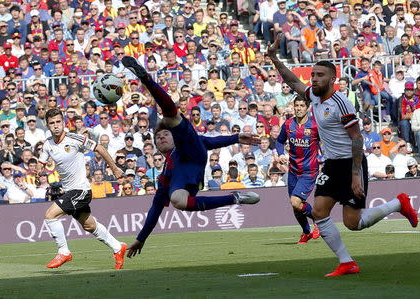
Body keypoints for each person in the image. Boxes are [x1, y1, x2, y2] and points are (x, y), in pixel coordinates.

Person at [267, 35, 418, 277]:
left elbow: (357, 138)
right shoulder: (314, 97)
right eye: (313, 75)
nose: (314, 79)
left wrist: (356, 175)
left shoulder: (341, 103)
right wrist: (274, 57)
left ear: (332, 79)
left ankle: (398, 203)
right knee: (319, 212)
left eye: (320, 75)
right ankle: (346, 262)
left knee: (353, 223)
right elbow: (293, 80)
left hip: (350, 164)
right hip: (331, 165)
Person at [121, 56, 261, 260]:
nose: (161, 137)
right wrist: (141, 238)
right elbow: (155, 208)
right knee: (177, 200)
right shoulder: (165, 176)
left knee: (170, 116)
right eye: (157, 138)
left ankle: (145, 77)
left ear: (171, 136)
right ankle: (236, 198)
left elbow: (211, 142)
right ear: (156, 146)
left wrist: (237, 137)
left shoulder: (181, 140)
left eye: (164, 134)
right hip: (188, 174)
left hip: (191, 148)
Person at [38, 108, 127, 270]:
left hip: (81, 190)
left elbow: (99, 148)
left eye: (58, 122)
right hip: (69, 190)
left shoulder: (74, 138)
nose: (56, 126)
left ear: (63, 123)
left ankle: (64, 252)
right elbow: (42, 162)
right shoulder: (47, 144)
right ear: (48, 125)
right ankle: (117, 246)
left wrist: (114, 169)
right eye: (52, 123)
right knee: (89, 226)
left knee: (50, 215)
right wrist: (39, 170)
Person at [276, 96, 320, 244]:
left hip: (309, 171)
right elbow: (279, 141)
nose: (299, 108)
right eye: (297, 105)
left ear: (307, 107)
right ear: (293, 107)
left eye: (302, 105)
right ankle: (306, 232)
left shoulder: (314, 125)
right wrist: (281, 153)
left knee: (296, 202)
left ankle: (317, 219)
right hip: (293, 171)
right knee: (296, 207)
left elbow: (326, 141)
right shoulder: (288, 124)